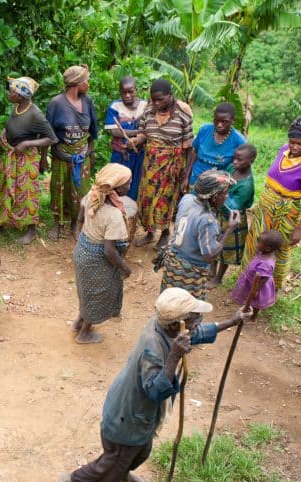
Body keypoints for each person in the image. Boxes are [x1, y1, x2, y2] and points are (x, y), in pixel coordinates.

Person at [57, 288, 252, 482]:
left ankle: (124, 473)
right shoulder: (153, 346)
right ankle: (72, 480)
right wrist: (174, 356)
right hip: (127, 415)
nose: (198, 320)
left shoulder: (167, 326)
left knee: (142, 451)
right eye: (193, 318)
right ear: (176, 324)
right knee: (111, 463)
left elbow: (193, 334)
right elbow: (156, 392)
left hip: (142, 414)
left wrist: (232, 321)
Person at [242, 117, 301, 290]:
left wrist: (300, 228)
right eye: (292, 141)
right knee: (256, 241)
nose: (294, 147)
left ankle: (269, 286)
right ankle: (247, 279)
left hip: (286, 213)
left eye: (300, 143)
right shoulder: (283, 150)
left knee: (279, 247)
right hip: (265, 207)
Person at [71, 163, 133, 344]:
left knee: (87, 292)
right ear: (117, 187)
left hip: (83, 252)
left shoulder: (91, 196)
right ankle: (84, 333)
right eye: (127, 183)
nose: (130, 186)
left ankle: (78, 322)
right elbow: (109, 251)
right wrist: (125, 268)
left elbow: (80, 220)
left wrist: (81, 237)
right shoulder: (113, 215)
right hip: (98, 259)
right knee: (98, 295)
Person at [0, 76, 57, 245]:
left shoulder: (35, 114)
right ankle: (1, 223)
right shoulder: (18, 107)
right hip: (11, 155)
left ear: (21, 95)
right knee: (3, 189)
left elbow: (51, 138)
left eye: (12, 91)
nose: (9, 93)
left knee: (27, 193)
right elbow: (13, 124)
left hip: (26, 158)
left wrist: (27, 143)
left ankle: (31, 229)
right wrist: (5, 131)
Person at [158, 170, 239, 300]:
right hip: (189, 272)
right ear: (214, 197)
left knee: (169, 301)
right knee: (187, 309)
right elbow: (209, 256)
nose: (227, 196)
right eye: (225, 193)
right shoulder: (207, 220)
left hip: (173, 264)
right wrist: (229, 229)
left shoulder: (187, 199)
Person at [134, 79, 194, 249]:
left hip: (171, 169)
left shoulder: (183, 115)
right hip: (150, 167)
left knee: (165, 202)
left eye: (161, 99)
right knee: (147, 200)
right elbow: (143, 134)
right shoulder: (148, 113)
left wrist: (186, 175)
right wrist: (135, 141)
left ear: (170, 95)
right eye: (154, 100)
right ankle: (150, 233)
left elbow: (189, 148)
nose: (157, 103)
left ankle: (165, 233)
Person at [45, 65, 98, 239]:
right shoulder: (56, 103)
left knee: (80, 191)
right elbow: (48, 132)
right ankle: (57, 223)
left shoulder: (87, 101)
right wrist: (44, 157)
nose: (88, 83)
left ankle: (76, 223)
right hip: (62, 153)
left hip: (82, 155)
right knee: (58, 189)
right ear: (76, 83)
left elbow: (93, 131)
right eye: (86, 80)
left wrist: (90, 152)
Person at [207, 144, 257, 288]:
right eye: (234, 158)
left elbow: (233, 206)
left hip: (232, 219)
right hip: (220, 213)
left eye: (239, 159)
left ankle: (218, 277)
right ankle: (212, 268)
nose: (235, 161)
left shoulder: (246, 185)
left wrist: (218, 192)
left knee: (226, 249)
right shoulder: (232, 168)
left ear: (251, 160)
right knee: (215, 239)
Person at [104, 76, 147, 200]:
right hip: (120, 155)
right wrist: (138, 132)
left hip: (139, 154)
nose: (127, 95)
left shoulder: (145, 106)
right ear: (120, 92)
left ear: (136, 90)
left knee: (136, 184)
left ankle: (132, 212)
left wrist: (137, 138)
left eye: (130, 91)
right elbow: (115, 132)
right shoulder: (115, 106)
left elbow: (149, 129)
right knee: (117, 184)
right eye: (124, 92)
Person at [185, 102, 247, 186]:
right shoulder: (204, 130)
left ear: (233, 121)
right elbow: (195, 153)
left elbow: (239, 168)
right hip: (194, 179)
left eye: (224, 122)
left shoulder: (239, 141)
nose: (219, 125)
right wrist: (186, 177)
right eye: (216, 121)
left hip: (217, 186)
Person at [229, 230, 283, 311]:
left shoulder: (267, 264)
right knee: (247, 297)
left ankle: (253, 316)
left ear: (268, 248)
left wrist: (256, 289)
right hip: (251, 280)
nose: (256, 244)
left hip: (258, 285)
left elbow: (264, 278)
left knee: (257, 302)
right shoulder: (264, 253)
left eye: (259, 242)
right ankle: (245, 308)